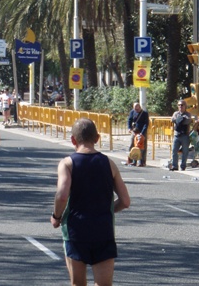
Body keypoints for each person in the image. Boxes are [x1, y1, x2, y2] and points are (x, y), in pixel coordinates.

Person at [51, 118, 130, 286]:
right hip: (103, 230)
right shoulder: (109, 163)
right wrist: (109, 209)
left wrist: (56, 216)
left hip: (76, 231)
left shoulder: (67, 164)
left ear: (73, 139)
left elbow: (62, 195)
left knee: (78, 283)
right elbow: (125, 201)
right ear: (97, 138)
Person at [170, 100, 193, 171]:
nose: (180, 106)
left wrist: (179, 120)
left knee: (185, 151)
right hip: (177, 135)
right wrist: (181, 119)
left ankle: (183, 165)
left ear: (185, 106)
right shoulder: (176, 113)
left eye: (182, 105)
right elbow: (173, 120)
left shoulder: (188, 114)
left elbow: (188, 121)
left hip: (185, 135)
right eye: (179, 105)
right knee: (174, 151)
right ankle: (175, 165)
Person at [126, 102, 149, 166]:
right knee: (132, 145)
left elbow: (146, 123)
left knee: (142, 147)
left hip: (142, 132)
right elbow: (129, 120)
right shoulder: (132, 112)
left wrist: (142, 133)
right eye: (135, 109)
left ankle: (142, 162)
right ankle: (131, 160)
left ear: (139, 107)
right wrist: (129, 128)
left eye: (137, 109)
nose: (136, 110)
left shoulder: (144, 113)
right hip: (134, 131)